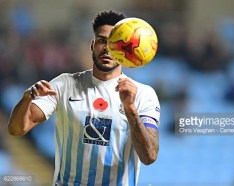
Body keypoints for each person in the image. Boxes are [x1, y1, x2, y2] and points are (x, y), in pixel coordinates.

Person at [7, 10, 160, 186]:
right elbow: (17, 129)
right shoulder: (65, 84)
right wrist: (27, 98)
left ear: (124, 50)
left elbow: (149, 156)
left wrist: (131, 109)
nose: (107, 48)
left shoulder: (142, 94)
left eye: (114, 42)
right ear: (92, 45)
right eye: (102, 41)